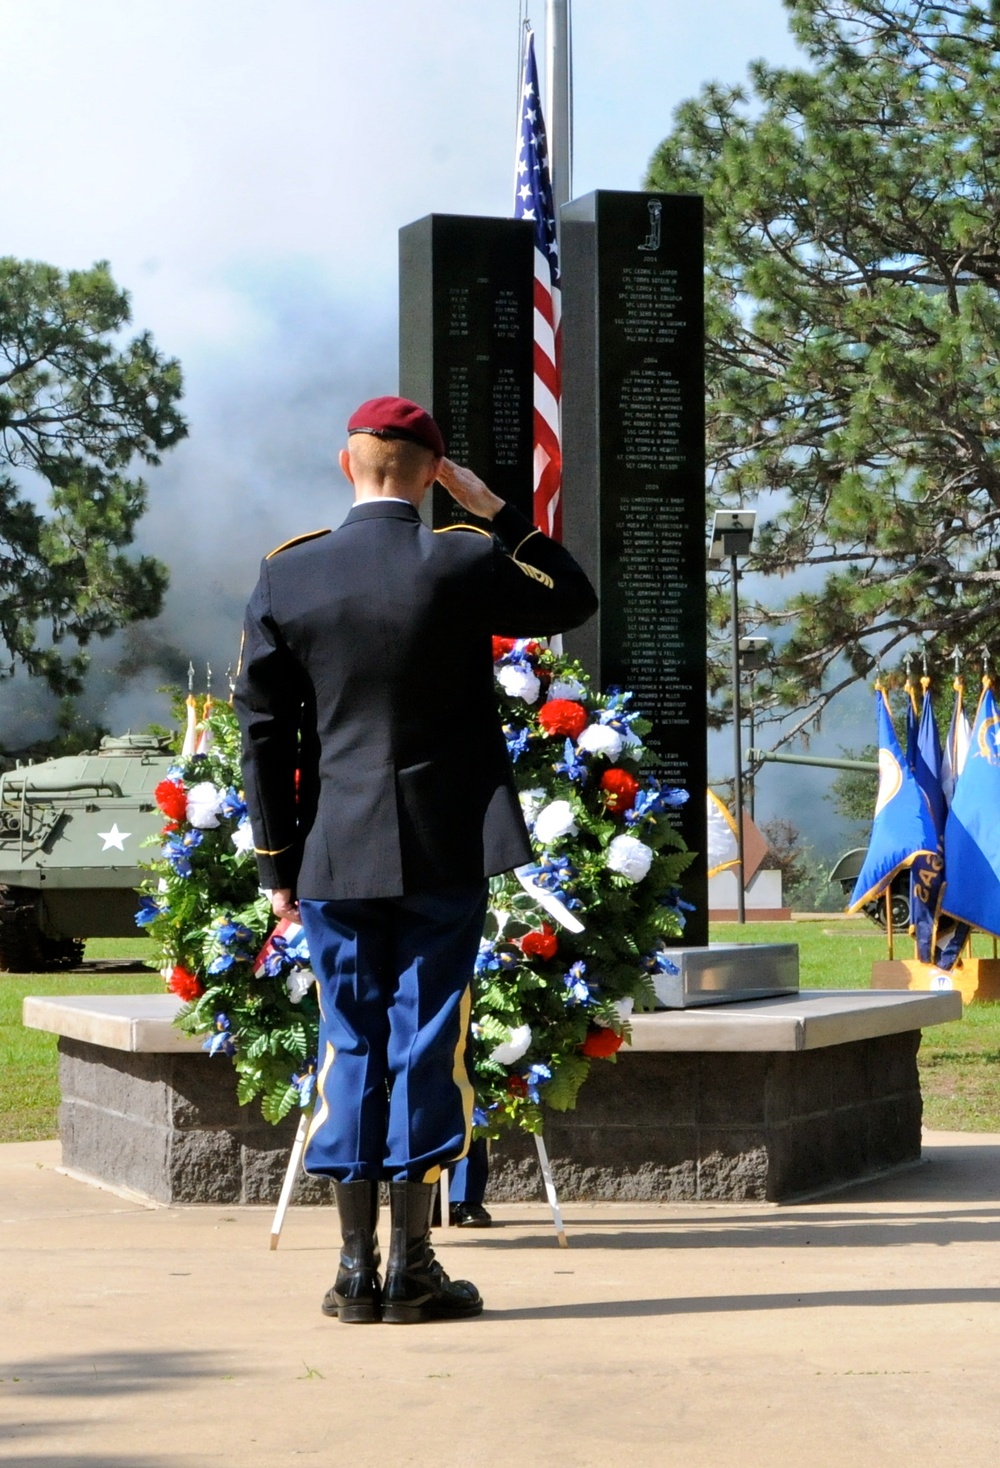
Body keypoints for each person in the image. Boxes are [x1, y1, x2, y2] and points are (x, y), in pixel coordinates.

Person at [234, 395, 597, 1324]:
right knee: (428, 1039)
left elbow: (265, 735)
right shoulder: (463, 558)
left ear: (344, 463)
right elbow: (572, 598)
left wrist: (279, 865)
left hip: (334, 852)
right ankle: (414, 1268)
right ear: (435, 473)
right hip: (444, 843)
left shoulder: (291, 575)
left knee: (351, 1039)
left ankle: (354, 1271)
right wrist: (497, 513)